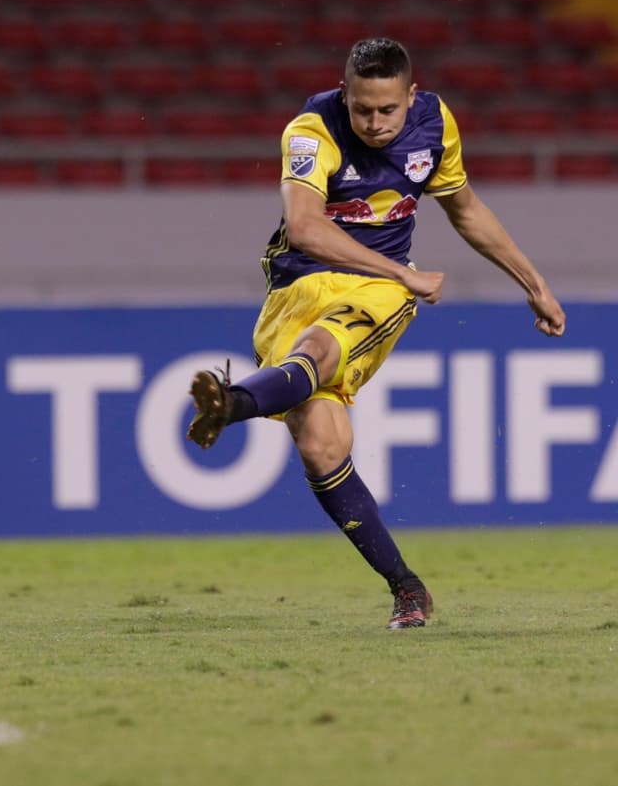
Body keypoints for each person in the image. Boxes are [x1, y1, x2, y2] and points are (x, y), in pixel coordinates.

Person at [186, 38, 566, 629]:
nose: (375, 122)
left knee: (319, 349)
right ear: (345, 94)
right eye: (362, 109)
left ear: (411, 95)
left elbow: (465, 208)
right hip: (296, 289)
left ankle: (231, 405)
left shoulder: (435, 123)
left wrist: (533, 283)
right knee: (321, 446)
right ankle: (408, 589)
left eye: (388, 109)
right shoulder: (311, 131)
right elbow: (305, 228)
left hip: (376, 291)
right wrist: (406, 272)